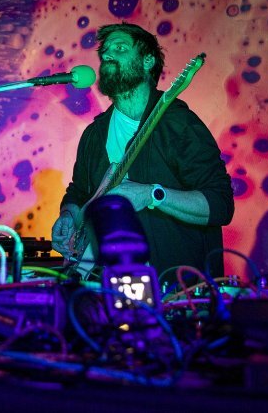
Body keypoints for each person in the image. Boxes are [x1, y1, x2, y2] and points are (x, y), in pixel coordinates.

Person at [51, 23, 234, 277]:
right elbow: (79, 192)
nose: (106, 55)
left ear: (148, 61)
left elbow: (220, 205)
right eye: (105, 51)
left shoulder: (178, 124)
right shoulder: (94, 134)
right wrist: (68, 217)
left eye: (120, 48)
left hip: (175, 291)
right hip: (103, 285)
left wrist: (153, 195)